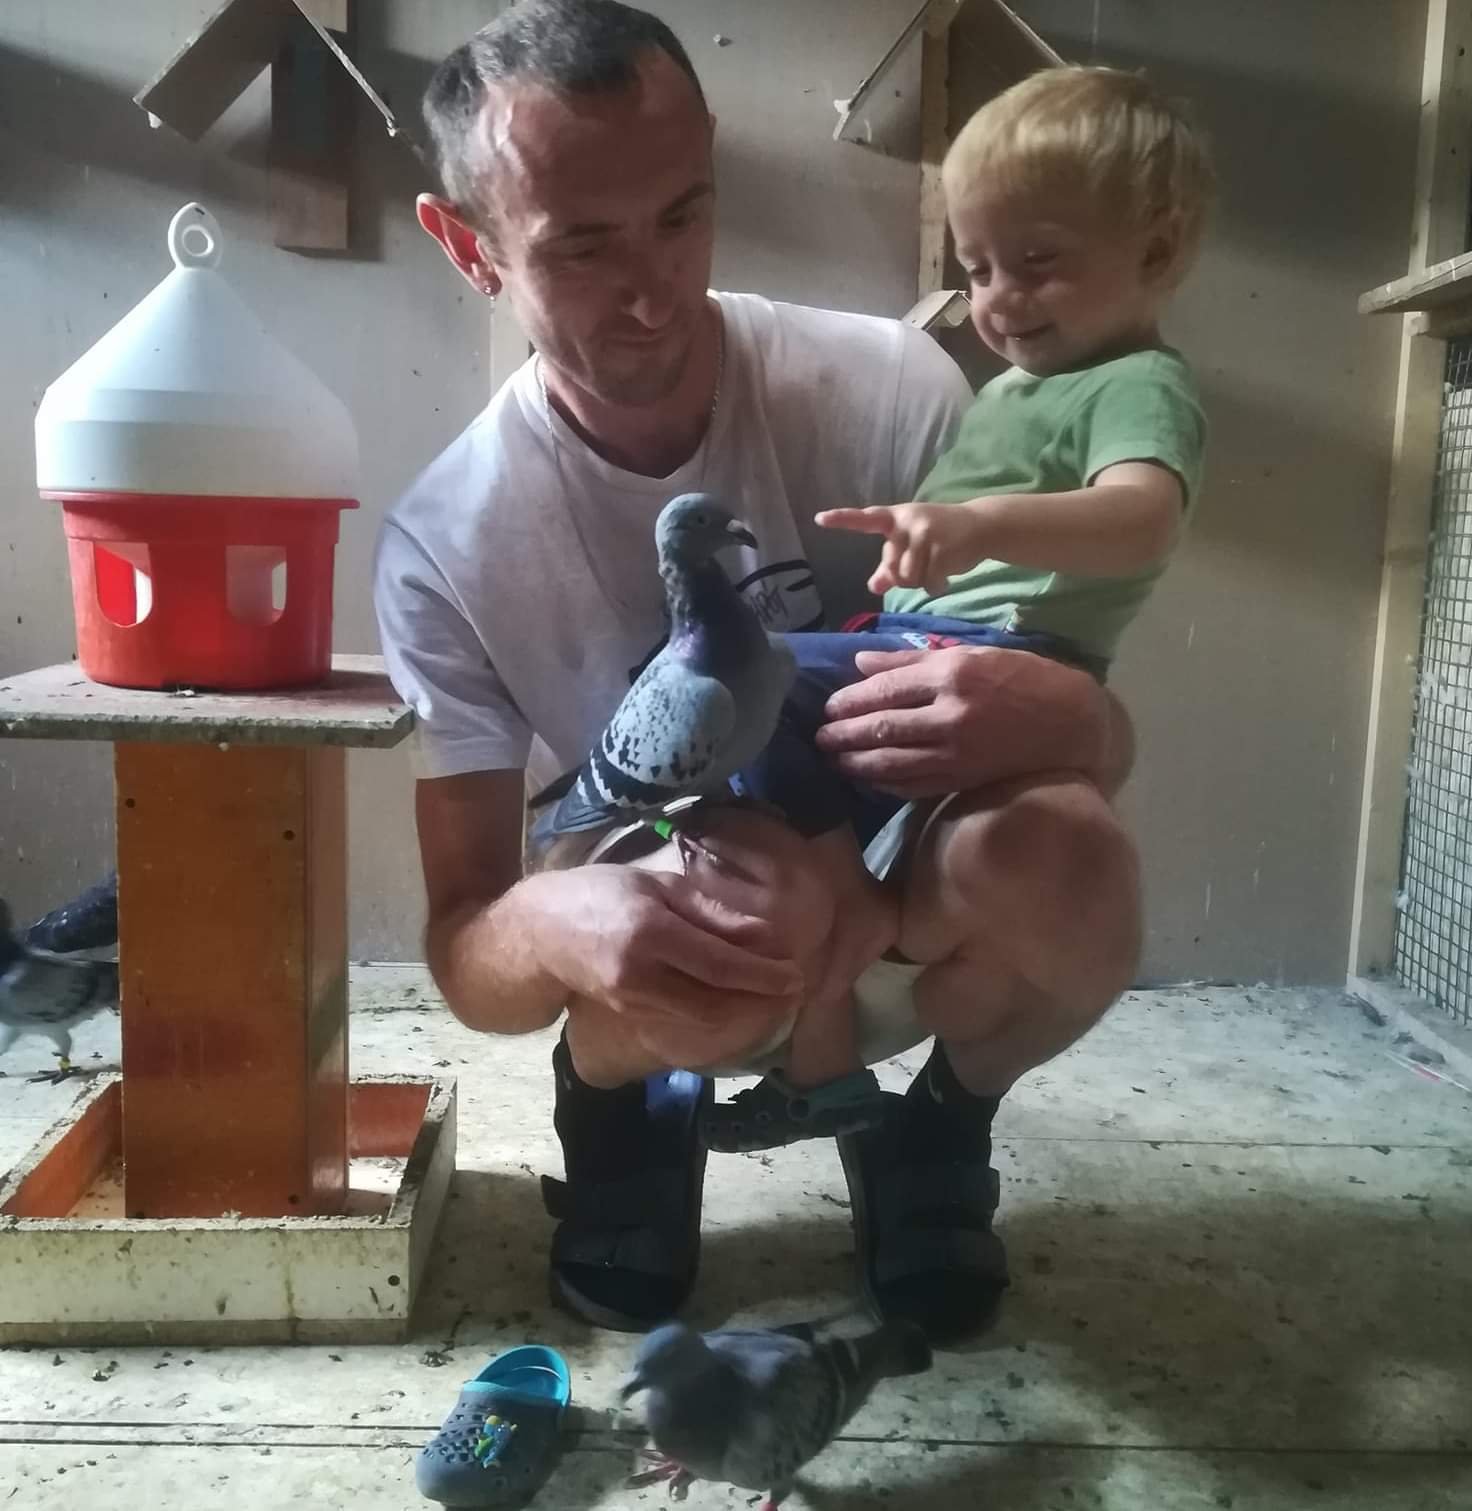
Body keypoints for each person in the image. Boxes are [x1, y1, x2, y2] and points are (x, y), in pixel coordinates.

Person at [375, 0, 1141, 1345]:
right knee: (729, 898)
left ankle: (934, 1128)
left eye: (682, 214)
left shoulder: (893, 390)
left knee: (1073, 857)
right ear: (467, 245)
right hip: (676, 919)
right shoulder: (445, 545)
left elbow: (1089, 747)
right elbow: (467, 954)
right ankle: (624, 1111)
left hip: (901, 885)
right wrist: (555, 924)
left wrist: (1076, 715)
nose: (653, 290)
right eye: (583, 245)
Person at [702, 65, 1212, 1150]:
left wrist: (977, 526)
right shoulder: (1020, 388)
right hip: (925, 634)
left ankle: (852, 924)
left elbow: (1141, 517)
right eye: (977, 269)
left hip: (996, 650)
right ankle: (824, 1024)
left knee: (747, 676)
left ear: (1156, 251)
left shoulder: (1136, 383)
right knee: (747, 720)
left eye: (1036, 263)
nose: (999, 300)